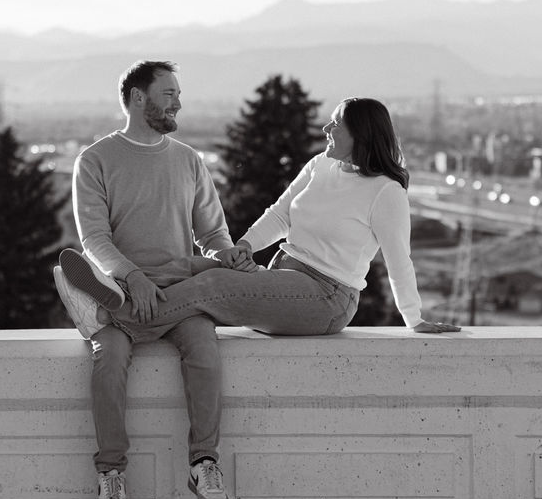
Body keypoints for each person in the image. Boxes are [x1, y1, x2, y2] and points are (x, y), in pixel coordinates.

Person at [57, 96, 460, 347]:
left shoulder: (386, 191)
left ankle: (111, 317)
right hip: (282, 276)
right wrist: (243, 248)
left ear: (362, 134)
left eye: (337, 123)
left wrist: (414, 317)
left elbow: (399, 259)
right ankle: (117, 290)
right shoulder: (321, 166)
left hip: (326, 299)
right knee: (191, 266)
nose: (327, 128)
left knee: (210, 286)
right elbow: (281, 214)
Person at [53, 60, 242, 499]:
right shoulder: (95, 160)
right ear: (138, 99)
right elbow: (94, 239)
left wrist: (228, 256)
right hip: (123, 286)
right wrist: (132, 277)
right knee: (108, 360)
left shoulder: (188, 161)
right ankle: (111, 471)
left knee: (204, 347)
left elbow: (213, 233)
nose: (178, 102)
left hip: (178, 291)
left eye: (178, 94)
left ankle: (203, 463)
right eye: (168, 93)